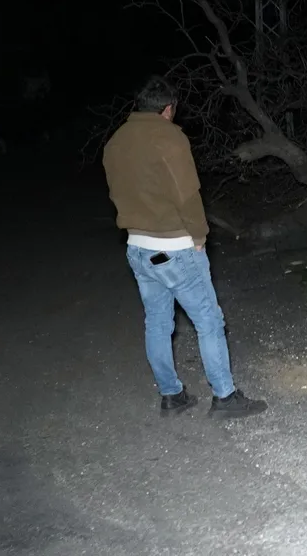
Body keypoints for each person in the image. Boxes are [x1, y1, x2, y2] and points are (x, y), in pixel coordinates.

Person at [102, 76, 267, 419]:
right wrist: (199, 236)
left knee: (157, 322)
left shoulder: (115, 141)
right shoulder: (169, 137)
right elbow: (188, 195)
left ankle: (171, 396)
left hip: (138, 249)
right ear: (167, 108)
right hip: (173, 247)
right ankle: (224, 397)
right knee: (209, 321)